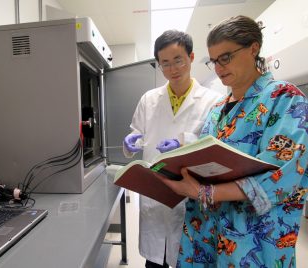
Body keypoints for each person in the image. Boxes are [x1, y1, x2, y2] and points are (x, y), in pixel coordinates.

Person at [158, 15, 308, 267]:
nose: (218, 68)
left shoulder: (286, 99)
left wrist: (204, 191)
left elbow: (282, 176)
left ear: (253, 48)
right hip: (204, 234)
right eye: (214, 61)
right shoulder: (217, 109)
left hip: (253, 242)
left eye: (226, 57)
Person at [123, 30, 223, 268]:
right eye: (165, 64)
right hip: (155, 194)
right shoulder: (149, 99)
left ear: (191, 57)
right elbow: (136, 134)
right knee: (155, 261)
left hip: (191, 194)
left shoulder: (213, 100)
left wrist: (184, 142)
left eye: (178, 60)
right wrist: (130, 142)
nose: (173, 69)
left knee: (186, 257)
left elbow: (216, 146)